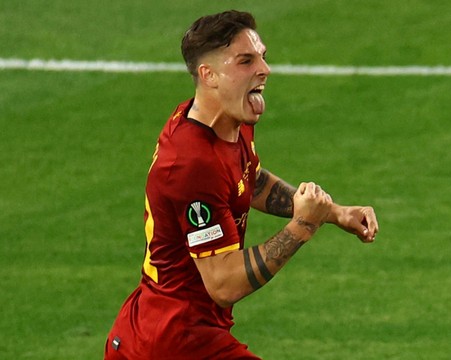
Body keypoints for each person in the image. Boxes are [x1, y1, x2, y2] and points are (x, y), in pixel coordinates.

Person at [104, 10, 379, 360]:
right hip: (171, 341)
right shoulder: (190, 163)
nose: (264, 69)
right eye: (246, 61)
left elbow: (250, 179)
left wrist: (333, 213)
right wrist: (303, 225)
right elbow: (223, 283)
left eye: (262, 56)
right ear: (209, 75)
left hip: (177, 330)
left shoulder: (227, 120)